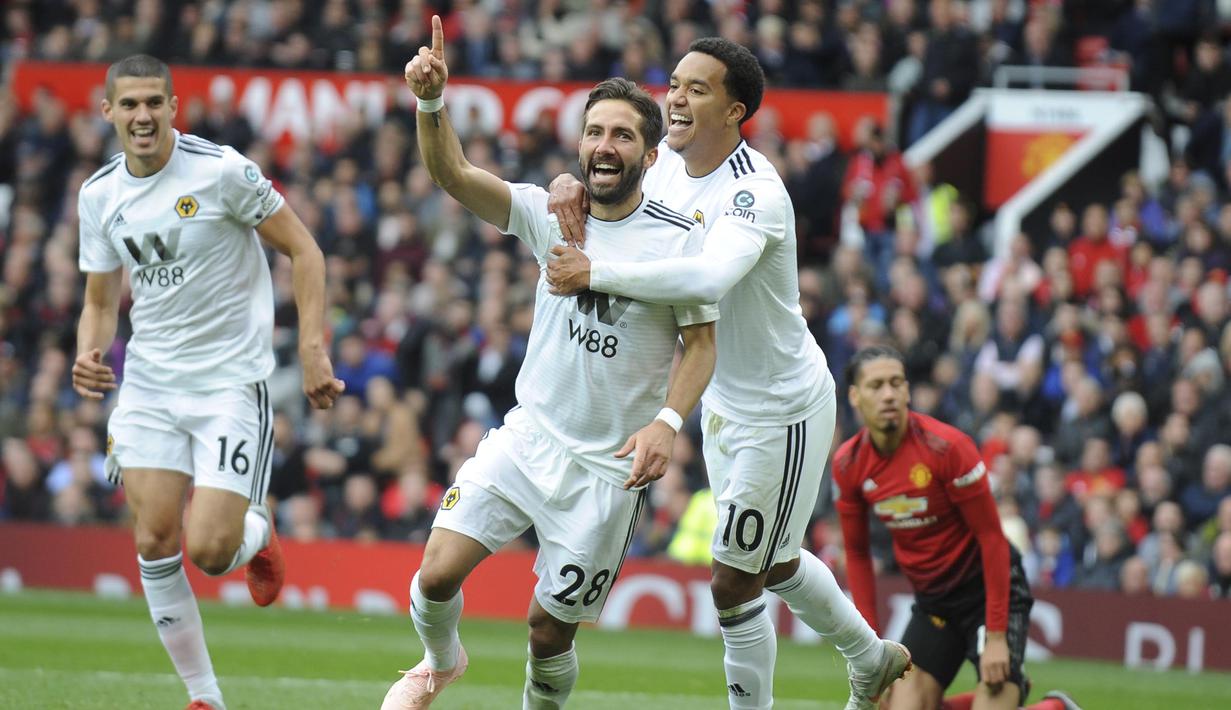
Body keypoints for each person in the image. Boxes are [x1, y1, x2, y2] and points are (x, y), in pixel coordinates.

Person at [544, 37, 908, 710]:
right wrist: (569, 184)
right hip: (719, 397)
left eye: (697, 89)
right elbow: (608, 185)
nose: (676, 99)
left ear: (734, 110)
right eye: (674, 84)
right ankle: (869, 656)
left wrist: (596, 272)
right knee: (773, 561)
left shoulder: (753, 192)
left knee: (733, 582)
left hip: (780, 408)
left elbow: (709, 277)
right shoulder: (663, 168)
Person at [382, 17, 718, 710]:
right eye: (594, 132)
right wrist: (431, 100)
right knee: (436, 573)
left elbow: (702, 347)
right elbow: (452, 173)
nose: (604, 145)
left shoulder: (681, 243)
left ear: (650, 154)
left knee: (546, 632)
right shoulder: (549, 212)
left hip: (606, 472)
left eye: (622, 135)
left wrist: (666, 423)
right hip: (529, 437)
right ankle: (438, 663)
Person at [72, 55, 344, 710]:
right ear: (108, 112)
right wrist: (88, 350)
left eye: (153, 103)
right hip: (150, 386)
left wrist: (312, 347)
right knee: (153, 541)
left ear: (173, 107)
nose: (142, 116)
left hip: (228, 383)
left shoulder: (220, 171)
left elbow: (305, 249)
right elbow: (101, 300)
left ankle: (259, 534)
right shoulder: (98, 195)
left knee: (213, 550)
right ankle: (205, 698)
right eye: (129, 104)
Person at [834, 346, 1080, 710]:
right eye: (876, 385)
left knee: (992, 695)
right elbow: (857, 553)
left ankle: (1051, 706)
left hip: (989, 592)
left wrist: (996, 636)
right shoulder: (849, 464)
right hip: (934, 602)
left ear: (907, 390)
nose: (888, 394)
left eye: (896, 383)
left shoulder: (946, 448)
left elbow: (992, 538)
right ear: (855, 396)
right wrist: (871, 653)